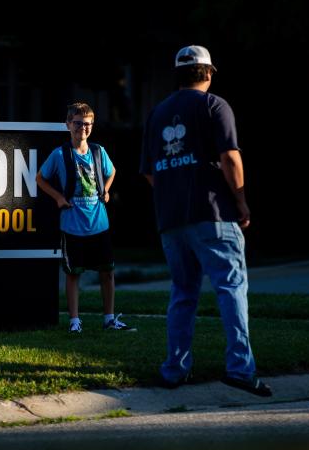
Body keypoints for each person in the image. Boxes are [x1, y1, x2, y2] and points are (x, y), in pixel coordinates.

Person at [140, 45, 271, 396]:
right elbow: (230, 158)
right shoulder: (215, 105)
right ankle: (241, 370)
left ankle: (174, 370)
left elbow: (150, 173)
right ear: (209, 72)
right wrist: (241, 201)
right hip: (213, 214)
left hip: (171, 219)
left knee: (183, 292)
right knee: (230, 288)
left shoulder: (157, 114)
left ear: (178, 75)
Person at [36, 102, 135, 334]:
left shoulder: (99, 152)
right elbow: (40, 178)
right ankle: (74, 321)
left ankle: (109, 318)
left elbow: (112, 172)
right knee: (73, 274)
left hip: (99, 222)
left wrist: (107, 190)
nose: (83, 128)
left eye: (87, 124)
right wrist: (58, 197)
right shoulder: (60, 154)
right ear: (68, 124)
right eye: (78, 123)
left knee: (107, 271)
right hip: (72, 224)